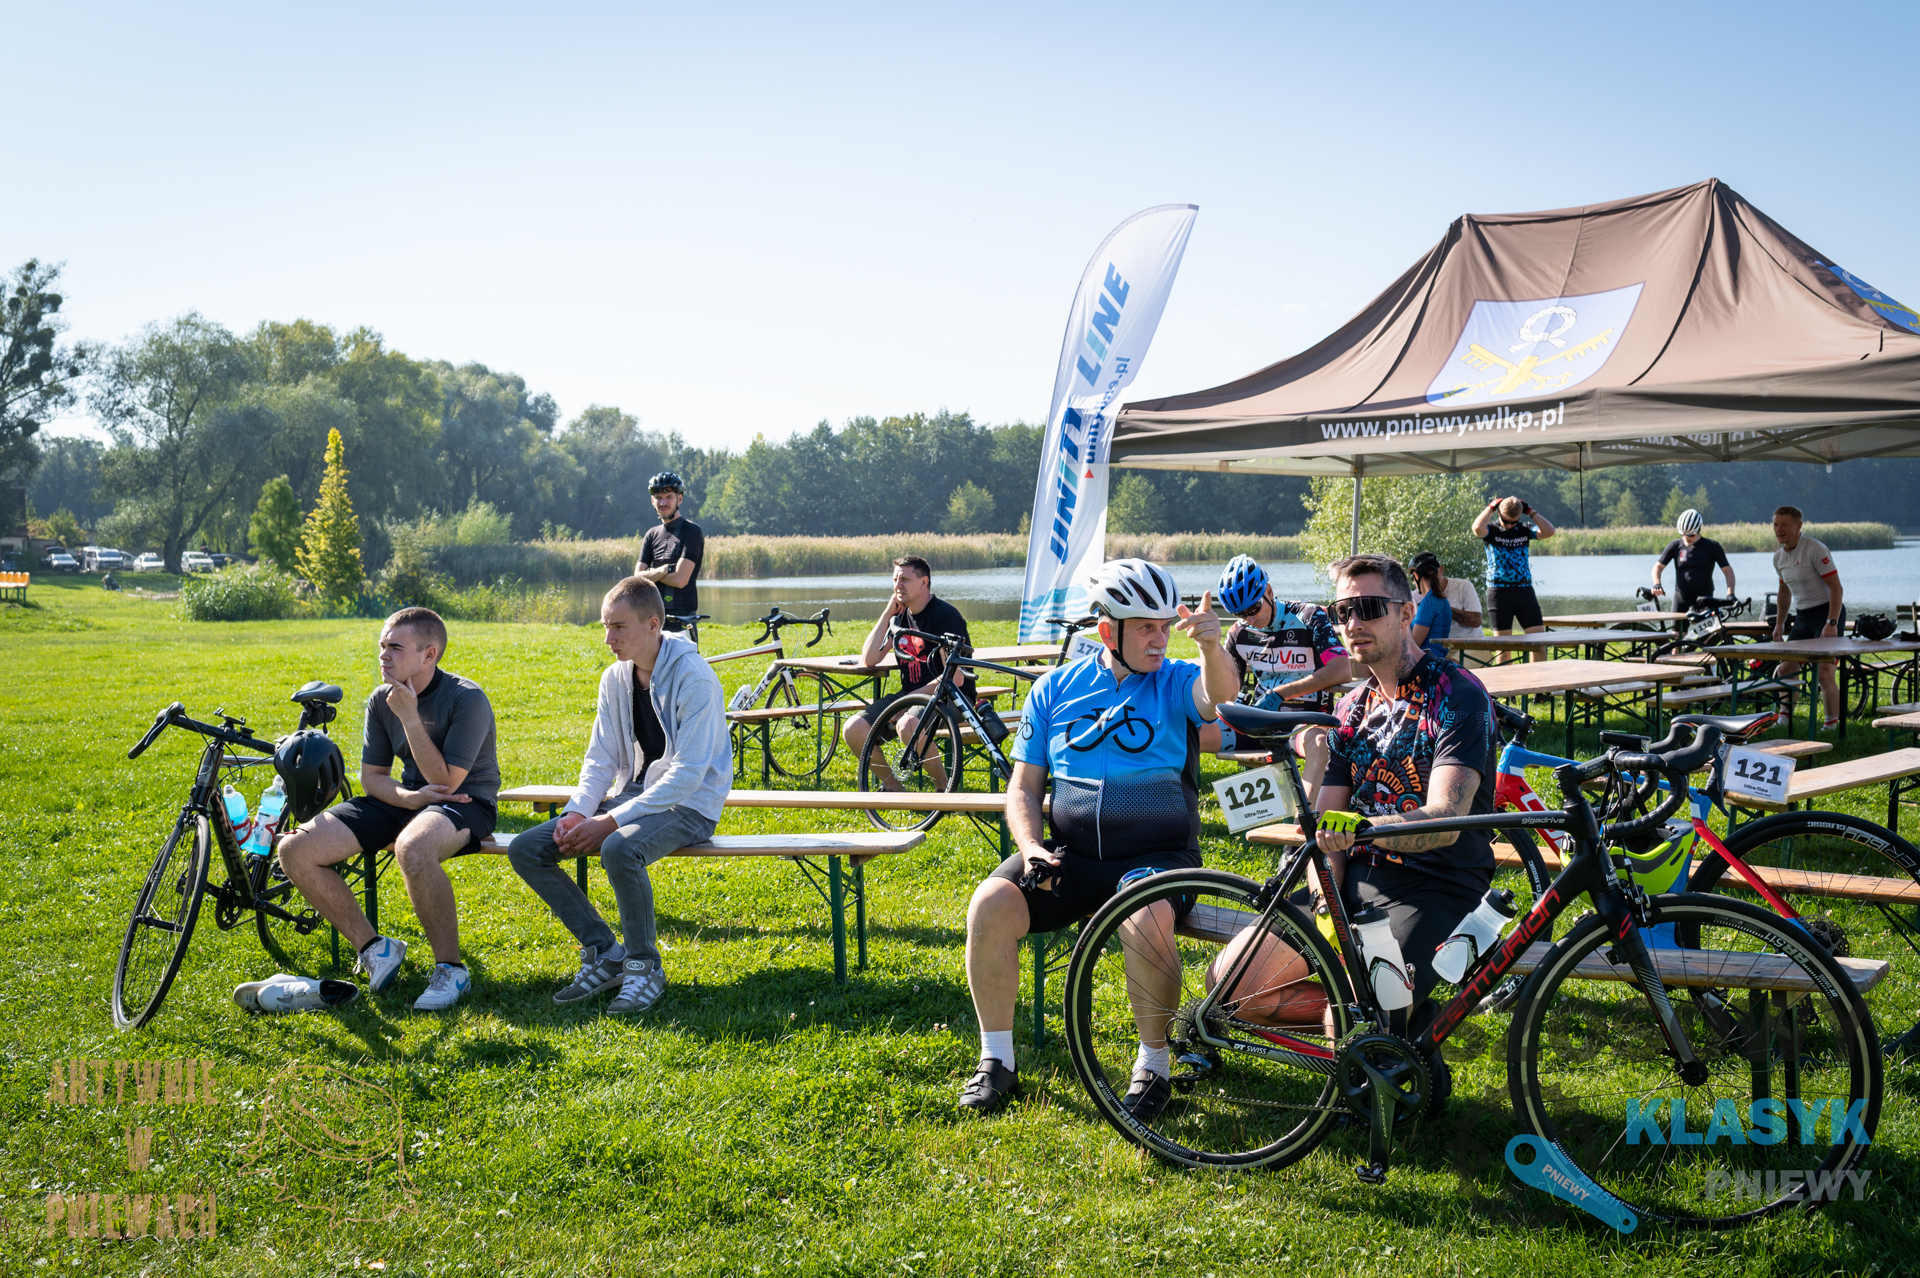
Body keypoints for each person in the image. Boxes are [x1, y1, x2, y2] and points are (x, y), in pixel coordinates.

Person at [958, 559, 1240, 1118]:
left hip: (1160, 856)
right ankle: (997, 1061)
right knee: (989, 903)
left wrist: (1212, 647)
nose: (1160, 639)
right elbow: (1024, 787)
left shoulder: (1177, 680)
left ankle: (1153, 1066)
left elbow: (1220, 696)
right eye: (1146, 628)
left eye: (1164, 626)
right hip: (1074, 858)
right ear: (1107, 630)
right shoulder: (1054, 688)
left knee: (1145, 915)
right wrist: (1031, 847)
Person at [1208, 554, 1498, 1079]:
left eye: (1368, 608)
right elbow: (1328, 822)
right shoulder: (1351, 710)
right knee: (1229, 988)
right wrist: (1328, 900)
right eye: (1343, 611)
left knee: (1349, 1020)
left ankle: (1378, 1026)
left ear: (1406, 612)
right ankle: (1395, 1023)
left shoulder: (1457, 694)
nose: (1352, 623)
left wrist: (1362, 831)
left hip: (1436, 884)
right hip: (1354, 879)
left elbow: (1445, 820)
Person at [507, 576, 731, 1012]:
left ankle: (644, 968)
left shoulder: (695, 678)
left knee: (619, 848)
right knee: (527, 849)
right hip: (633, 796)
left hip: (691, 805)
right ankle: (606, 953)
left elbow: (688, 775)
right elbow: (601, 758)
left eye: (619, 627)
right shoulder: (614, 678)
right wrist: (577, 813)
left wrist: (610, 821)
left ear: (653, 624)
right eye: (605, 627)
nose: (608, 639)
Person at [277, 608, 500, 1011]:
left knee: (413, 848)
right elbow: (373, 778)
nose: (384, 655)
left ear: (429, 654)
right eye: (382, 645)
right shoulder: (381, 700)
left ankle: (452, 970)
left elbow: (446, 782)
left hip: (466, 802)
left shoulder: (467, 699)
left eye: (395, 647)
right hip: (408, 798)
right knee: (295, 849)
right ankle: (374, 949)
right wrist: (408, 799)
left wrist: (410, 717)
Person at [1213, 554, 1351, 803]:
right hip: (1258, 724)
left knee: (1320, 744)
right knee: (1186, 733)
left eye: (1253, 609)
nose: (1250, 619)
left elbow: (1342, 669)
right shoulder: (1238, 633)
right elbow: (1226, 690)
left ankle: (1303, 822)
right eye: (1240, 614)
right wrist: (1207, 646)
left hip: (1303, 722)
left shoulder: (1309, 616)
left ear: (1268, 591)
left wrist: (1281, 693)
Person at [843, 556, 974, 774]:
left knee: (908, 725)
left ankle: (943, 790)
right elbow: (869, 658)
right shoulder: (899, 616)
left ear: (924, 582)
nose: (898, 585)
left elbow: (956, 678)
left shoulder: (945, 616)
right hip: (911, 695)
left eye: (904, 579)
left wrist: (909, 701)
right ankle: (893, 788)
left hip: (952, 697)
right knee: (854, 729)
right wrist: (887, 613)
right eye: (895, 580)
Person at [1769, 505, 1845, 732]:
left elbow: (1836, 588)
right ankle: (1784, 718)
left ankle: (1831, 724)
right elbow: (1784, 592)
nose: (1779, 529)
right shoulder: (1778, 557)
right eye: (1775, 525)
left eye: (1784, 524)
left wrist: (1832, 622)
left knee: (1824, 672)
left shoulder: (1814, 549)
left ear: (1798, 525)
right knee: (1786, 669)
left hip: (1827, 613)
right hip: (1803, 616)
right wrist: (1779, 623)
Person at [1470, 494, 1556, 659]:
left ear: (1519, 517)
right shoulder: (1491, 530)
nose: (1509, 525)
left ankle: (1539, 676)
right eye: (1506, 521)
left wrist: (1532, 512)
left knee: (1539, 644)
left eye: (1513, 522)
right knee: (1503, 648)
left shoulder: (1525, 529)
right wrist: (1491, 507)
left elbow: (1549, 531)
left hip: (1524, 591)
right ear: (1499, 514)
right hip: (1498, 593)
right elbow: (1477, 528)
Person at [633, 472, 705, 636]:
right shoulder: (651, 534)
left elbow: (680, 580)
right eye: (658, 498)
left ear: (679, 499)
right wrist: (665, 570)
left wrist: (651, 574)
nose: (663, 502)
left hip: (682, 619)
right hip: (652, 618)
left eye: (669, 497)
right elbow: (637, 578)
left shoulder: (692, 531)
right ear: (652, 501)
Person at [1651, 509, 1735, 634]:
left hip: (1705, 599)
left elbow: (1728, 571)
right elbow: (1658, 567)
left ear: (1698, 530)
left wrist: (1730, 594)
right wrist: (1657, 584)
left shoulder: (1712, 546)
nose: (1686, 538)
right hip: (1681, 599)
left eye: (1690, 535)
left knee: (1707, 638)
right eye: (1683, 534)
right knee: (1677, 639)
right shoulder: (1675, 546)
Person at [1407, 552, 1453, 663]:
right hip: (1437, 659)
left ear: (1416, 576)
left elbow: (1414, 643)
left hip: (1426, 662)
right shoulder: (1441, 599)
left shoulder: (1429, 601)